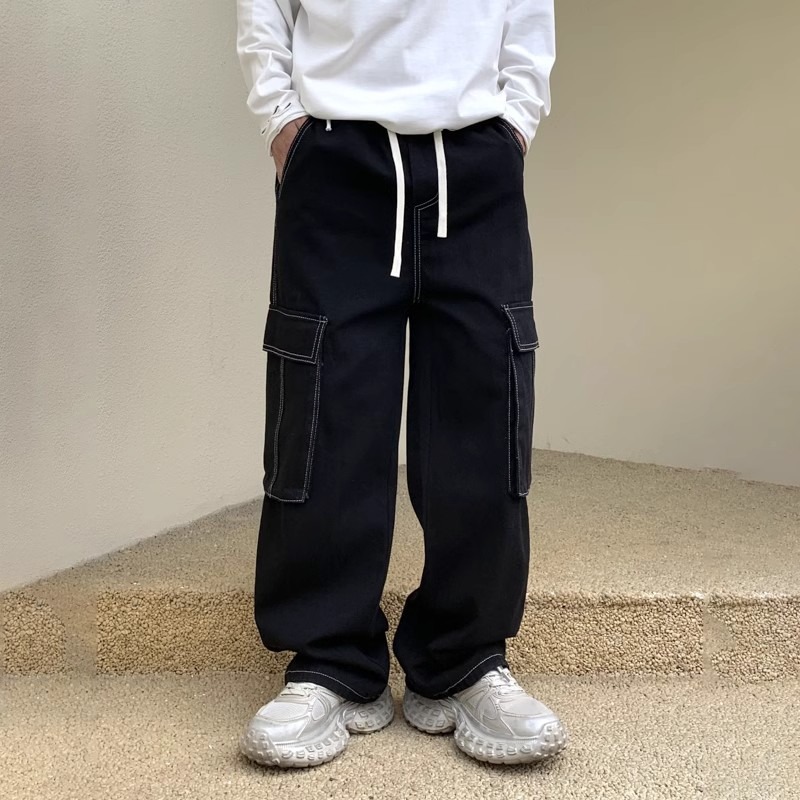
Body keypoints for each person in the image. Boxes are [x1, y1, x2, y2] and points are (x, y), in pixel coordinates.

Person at [234, 0, 566, 768]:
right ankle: (330, 661)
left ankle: (465, 657)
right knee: (324, 405)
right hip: (335, 155)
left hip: (476, 157)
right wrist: (282, 121)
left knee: (485, 397)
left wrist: (515, 122)